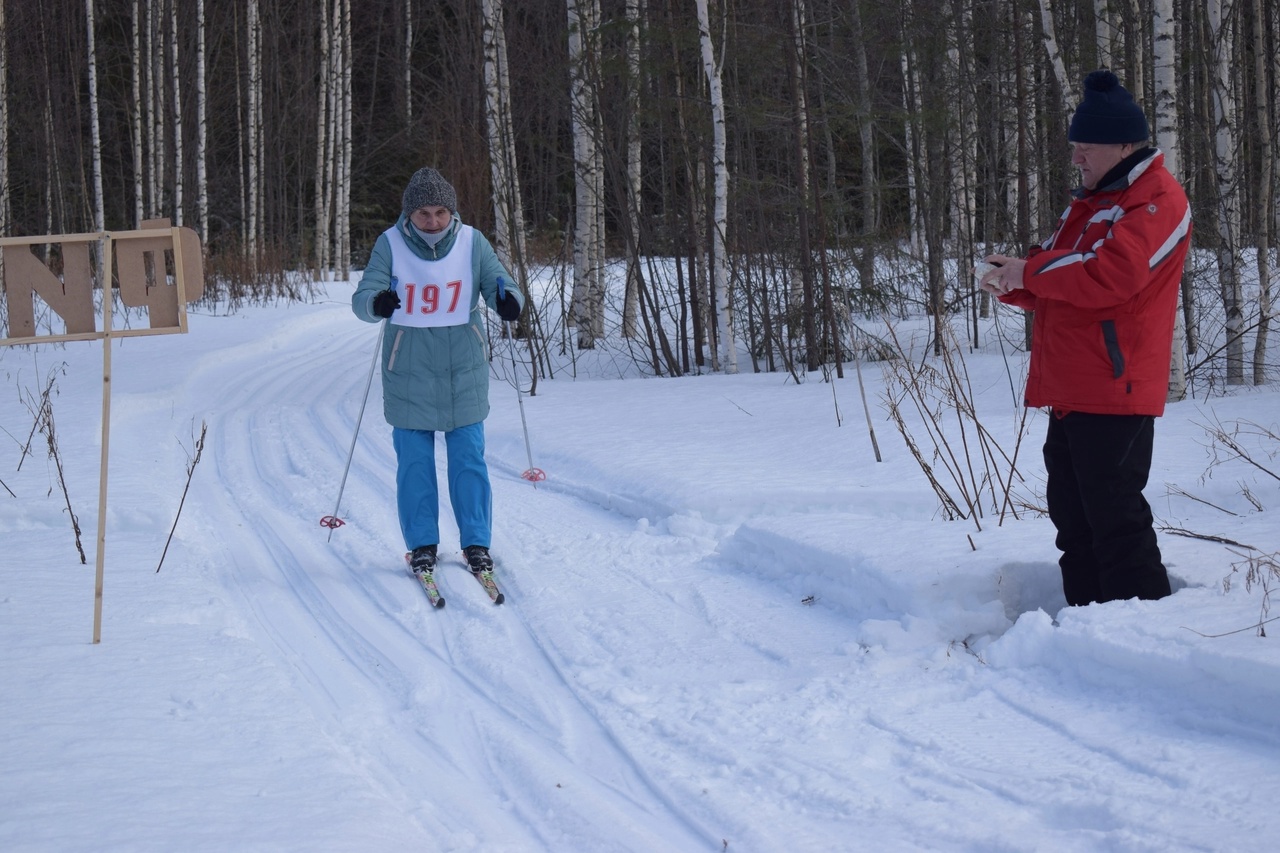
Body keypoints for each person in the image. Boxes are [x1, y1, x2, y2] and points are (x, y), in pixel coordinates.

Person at [979, 69, 1192, 606]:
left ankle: (1141, 632)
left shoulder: (1154, 201)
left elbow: (1110, 278)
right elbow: (1064, 278)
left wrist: (1031, 272)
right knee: (1073, 521)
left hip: (1113, 387)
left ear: (1124, 144)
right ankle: (1085, 628)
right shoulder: (1092, 202)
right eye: (1074, 146)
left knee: (1114, 517)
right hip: (1073, 385)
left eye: (1085, 147)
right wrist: (1014, 281)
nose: (1076, 157)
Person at [352, 166, 524, 578]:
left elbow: (500, 281)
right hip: (408, 371)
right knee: (414, 464)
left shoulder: (472, 242)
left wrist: (508, 301)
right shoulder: (390, 244)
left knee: (469, 460)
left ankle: (476, 543)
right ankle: (422, 545)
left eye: (441, 213)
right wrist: (378, 303)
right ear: (409, 214)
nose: (433, 222)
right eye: (424, 214)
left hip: (462, 369)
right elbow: (363, 298)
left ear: (452, 213)